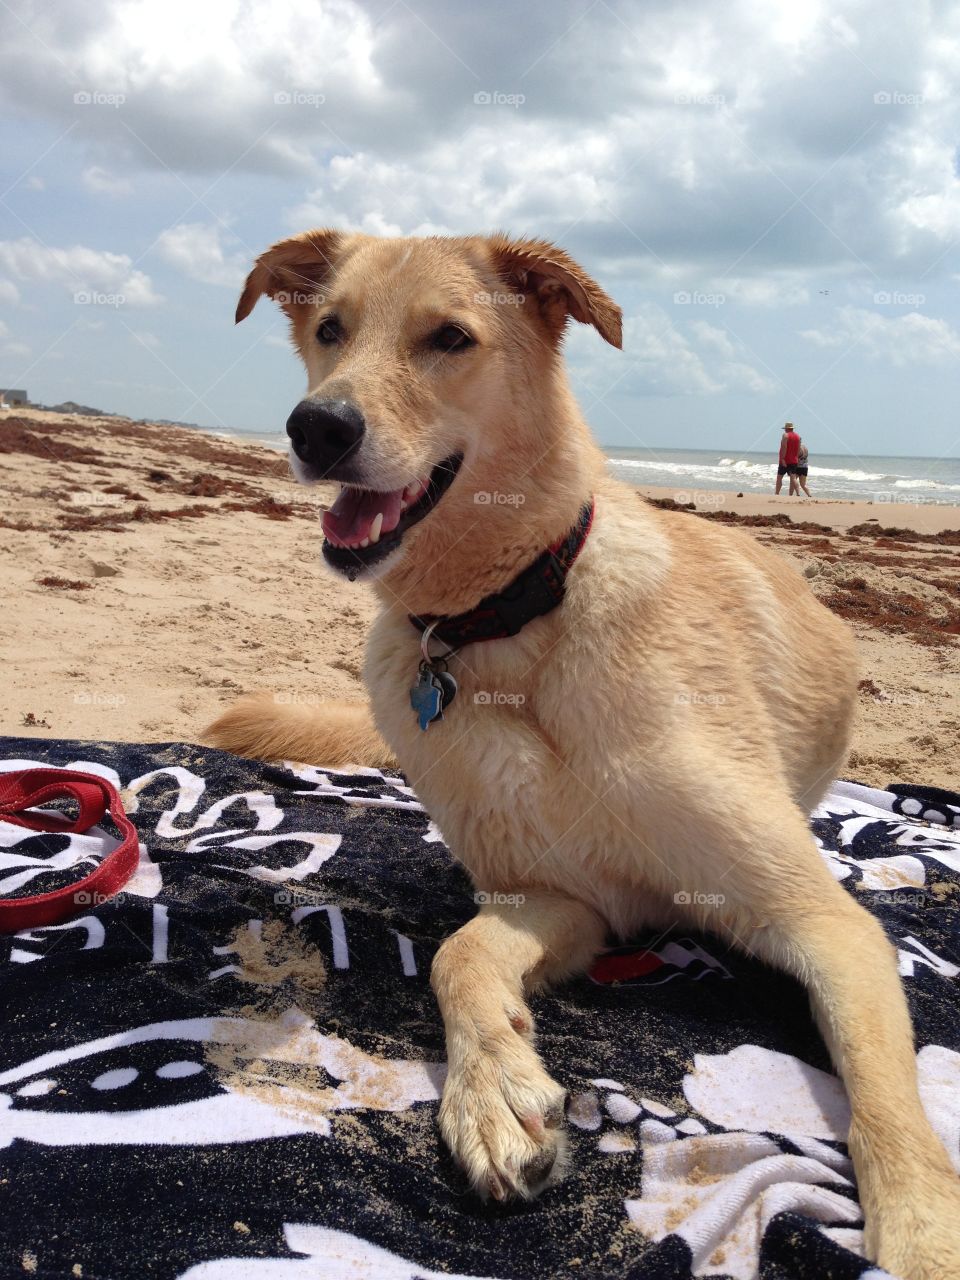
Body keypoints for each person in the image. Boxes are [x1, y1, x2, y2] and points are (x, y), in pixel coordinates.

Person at [775, 423, 801, 495]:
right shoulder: (798, 437)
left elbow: (784, 447)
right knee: (793, 478)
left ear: (787, 428)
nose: (785, 430)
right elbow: (799, 449)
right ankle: (798, 493)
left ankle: (777, 493)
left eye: (785, 429)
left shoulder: (785, 435)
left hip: (785, 460)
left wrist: (783, 458)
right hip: (794, 460)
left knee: (779, 477)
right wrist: (797, 458)